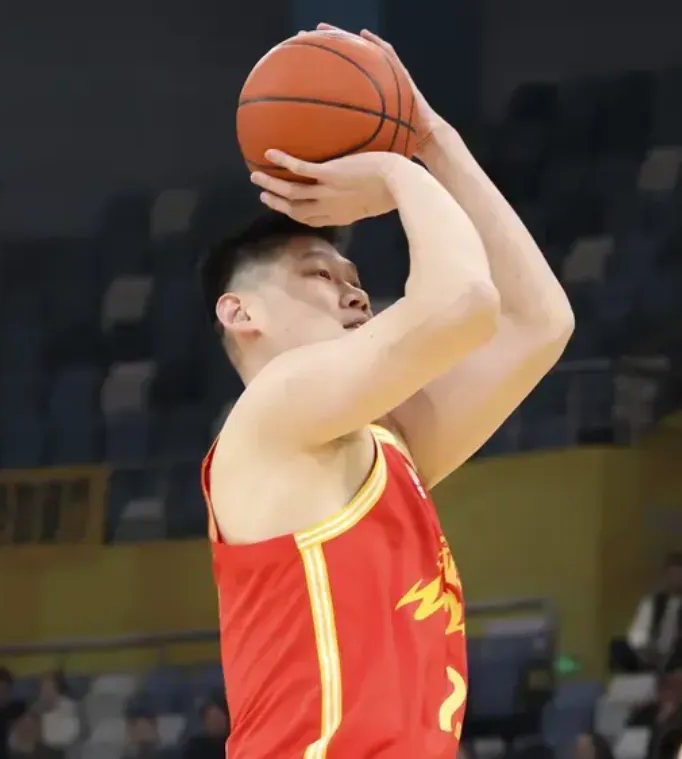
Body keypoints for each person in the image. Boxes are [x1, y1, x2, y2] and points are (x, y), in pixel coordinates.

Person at [198, 23, 574, 759]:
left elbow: (538, 322)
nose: (356, 294)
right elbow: (465, 302)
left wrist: (433, 140)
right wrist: (398, 174)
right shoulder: (270, 412)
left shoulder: (386, 443)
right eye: (320, 274)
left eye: (356, 281)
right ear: (239, 313)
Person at [612, 554, 682, 672]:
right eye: (672, 574)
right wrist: (646, 650)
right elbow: (637, 633)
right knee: (619, 648)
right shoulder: (651, 602)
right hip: (651, 655)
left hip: (677, 657)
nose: (676, 579)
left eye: (679, 575)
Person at [32, 672, 80, 753]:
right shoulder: (36, 708)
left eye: (48, 687)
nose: (44, 692)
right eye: (42, 687)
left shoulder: (69, 705)